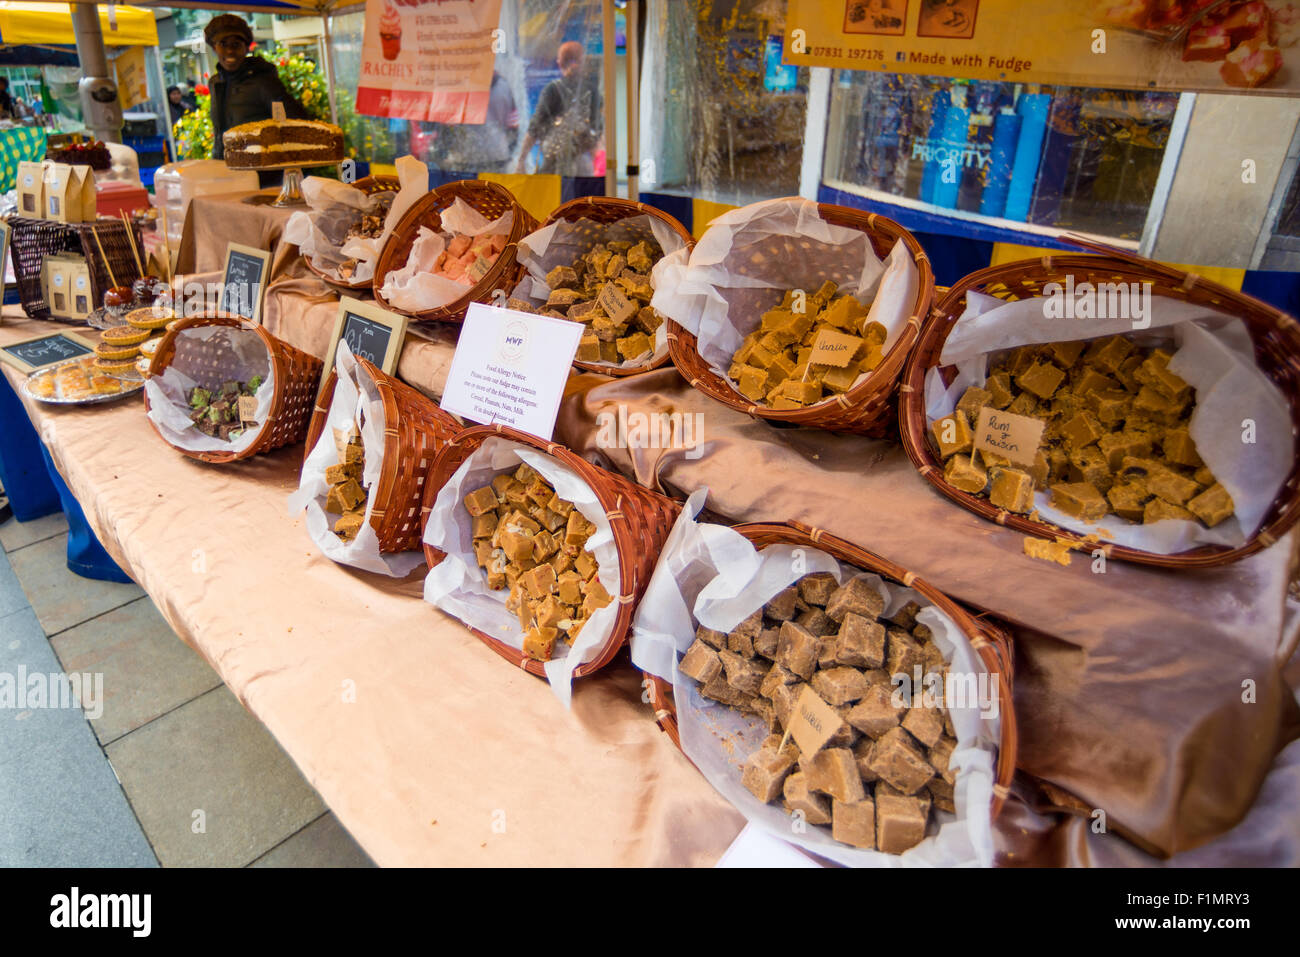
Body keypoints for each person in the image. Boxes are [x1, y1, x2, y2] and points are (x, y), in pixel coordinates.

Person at [205, 14, 309, 162]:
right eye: (223, 44)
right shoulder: (215, 83)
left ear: (246, 48)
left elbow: (299, 122)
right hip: (227, 171)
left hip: (263, 175)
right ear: (214, 48)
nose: (229, 51)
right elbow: (219, 132)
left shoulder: (264, 81)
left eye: (236, 44)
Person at [514, 41, 602, 176]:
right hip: (582, 164)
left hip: (553, 164)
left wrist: (521, 160)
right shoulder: (592, 90)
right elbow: (596, 131)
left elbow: (534, 128)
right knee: (580, 197)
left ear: (560, 62)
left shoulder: (552, 89)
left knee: (555, 196)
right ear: (582, 62)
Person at [425, 71, 519, 173]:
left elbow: (447, 127)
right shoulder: (503, 85)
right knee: (493, 188)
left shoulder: (457, 87)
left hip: (465, 157)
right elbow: (513, 127)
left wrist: (445, 152)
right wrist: (506, 150)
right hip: (497, 155)